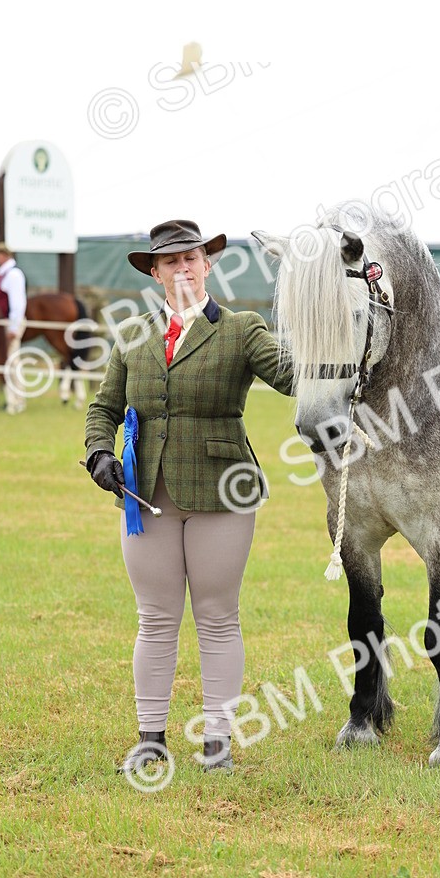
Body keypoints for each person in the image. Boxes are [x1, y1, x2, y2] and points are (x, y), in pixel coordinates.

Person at [84, 220, 293, 776]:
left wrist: (324, 332)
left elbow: (293, 377)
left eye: (191, 258)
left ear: (208, 264)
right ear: (155, 273)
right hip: (145, 493)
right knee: (154, 618)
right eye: (170, 262)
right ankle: (150, 739)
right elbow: (103, 407)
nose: (182, 268)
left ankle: (217, 742)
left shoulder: (242, 329)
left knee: (218, 616)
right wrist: (98, 452)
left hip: (224, 490)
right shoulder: (132, 334)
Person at [0, 242, 27, 414]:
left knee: (12, 361)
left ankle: (18, 400)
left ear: (3, 255)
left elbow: (17, 303)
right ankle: (11, 399)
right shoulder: (3, 275)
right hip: (0, 325)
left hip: (8, 324)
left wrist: (13, 328)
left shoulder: (13, 275)